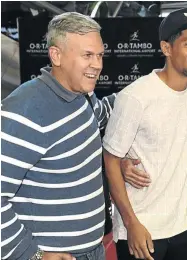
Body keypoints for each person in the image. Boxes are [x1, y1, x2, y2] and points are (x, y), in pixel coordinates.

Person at [1, 12, 138, 260]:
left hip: (93, 250)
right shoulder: (25, 111)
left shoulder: (80, 96)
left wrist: (151, 88)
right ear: (56, 56)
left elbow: (103, 112)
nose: (97, 65)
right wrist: (34, 255)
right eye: (87, 55)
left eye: (99, 55)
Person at [102, 8, 187, 260]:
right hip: (141, 227)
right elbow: (110, 159)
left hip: (182, 225)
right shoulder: (135, 97)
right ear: (166, 48)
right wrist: (131, 223)